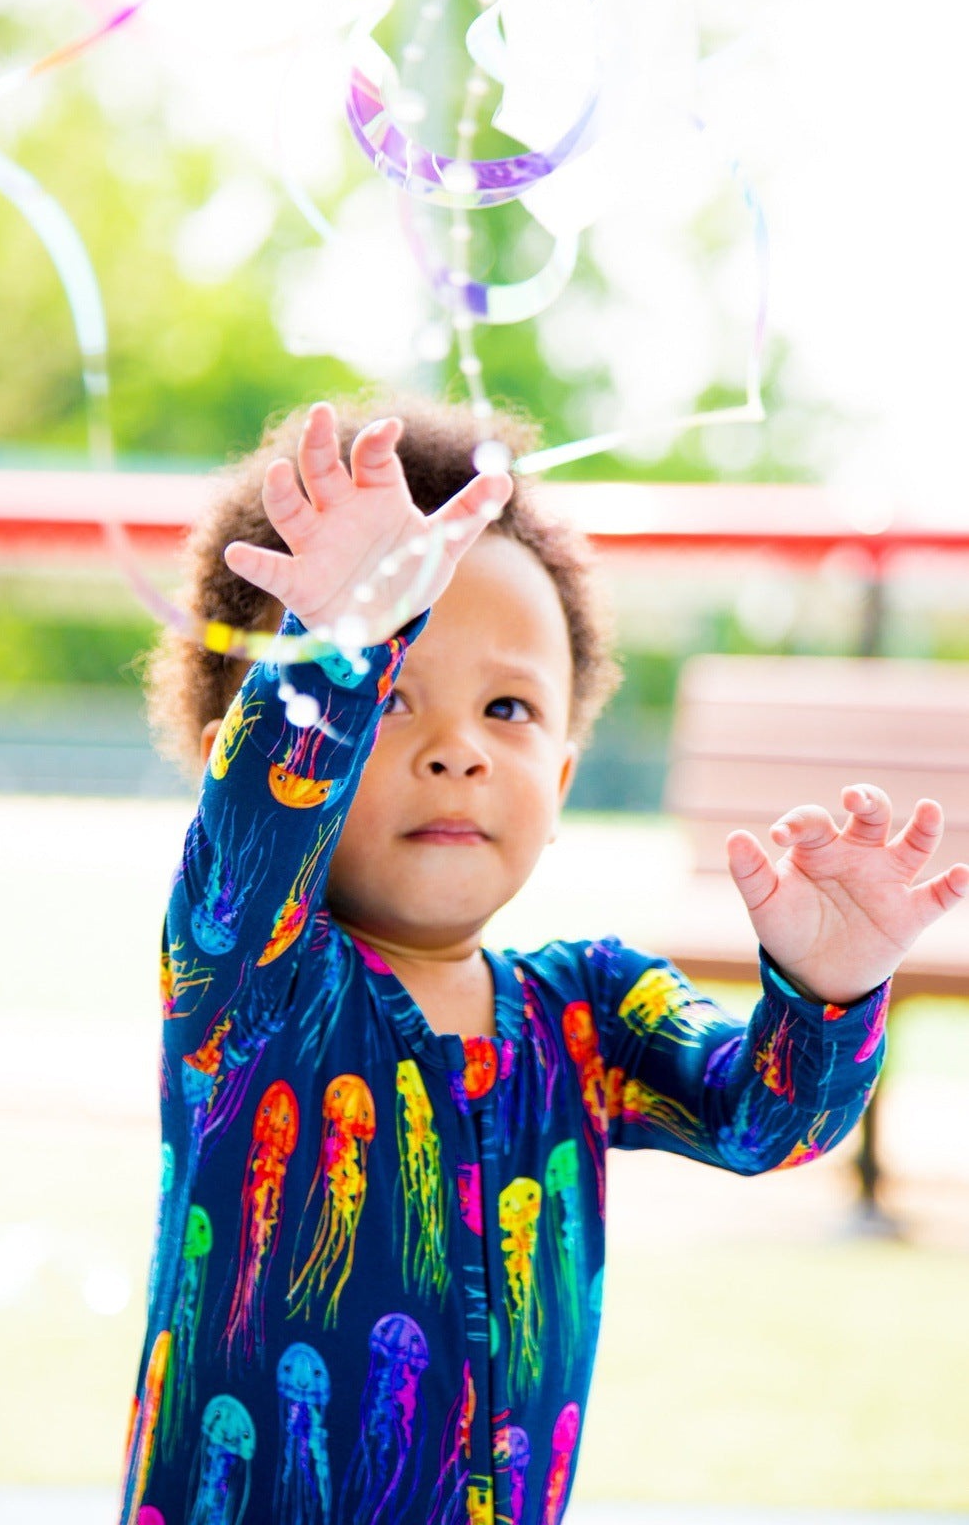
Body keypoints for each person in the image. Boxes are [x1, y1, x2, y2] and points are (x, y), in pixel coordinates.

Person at [123, 397, 967, 1525]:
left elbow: (769, 1121)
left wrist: (828, 989)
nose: (455, 750)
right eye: (390, 692)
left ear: (561, 781)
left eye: (507, 706)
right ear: (264, 746)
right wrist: (336, 651)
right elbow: (245, 855)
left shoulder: (590, 1011)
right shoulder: (247, 992)